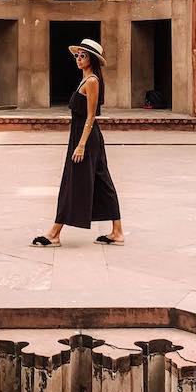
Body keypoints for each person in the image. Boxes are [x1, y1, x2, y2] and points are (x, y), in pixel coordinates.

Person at [31, 38, 124, 248]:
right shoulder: (84, 80)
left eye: (83, 56)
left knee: (72, 182)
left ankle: (54, 233)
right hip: (85, 137)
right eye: (77, 55)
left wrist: (81, 145)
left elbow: (91, 116)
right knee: (103, 182)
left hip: (86, 139)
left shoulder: (92, 81)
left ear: (92, 60)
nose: (79, 59)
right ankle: (117, 231)